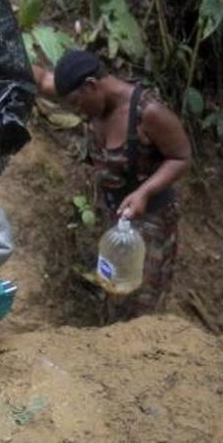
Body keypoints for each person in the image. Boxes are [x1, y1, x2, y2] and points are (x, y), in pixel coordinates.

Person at [33, 50, 191, 321]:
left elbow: (181, 157)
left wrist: (144, 192)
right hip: (117, 218)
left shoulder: (148, 113)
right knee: (113, 289)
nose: (76, 110)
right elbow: (42, 78)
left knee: (140, 305)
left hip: (150, 220)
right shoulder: (92, 100)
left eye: (76, 102)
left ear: (91, 85)